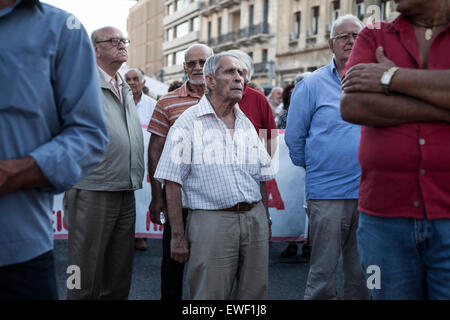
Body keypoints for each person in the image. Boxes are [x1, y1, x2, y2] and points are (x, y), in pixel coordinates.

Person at [341, 0, 450, 300]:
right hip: (384, 219)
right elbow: (352, 104)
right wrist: (440, 105)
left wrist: (392, 78)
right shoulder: (373, 35)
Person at [0, 0, 108, 299]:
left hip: (17, 255)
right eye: (112, 41)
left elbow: (89, 135)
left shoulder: (62, 28)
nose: (118, 45)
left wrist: (12, 174)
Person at [154, 52, 275, 299]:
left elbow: (260, 176)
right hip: (211, 223)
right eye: (230, 72)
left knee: (253, 296)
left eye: (241, 73)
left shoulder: (245, 123)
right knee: (210, 297)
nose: (239, 78)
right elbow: (172, 182)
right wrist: (177, 236)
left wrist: (265, 219)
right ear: (210, 81)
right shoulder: (187, 123)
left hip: (253, 219)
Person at [285, 14, 370, 300]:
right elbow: (294, 138)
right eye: (343, 36)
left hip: (371, 194)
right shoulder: (310, 85)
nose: (350, 41)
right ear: (331, 44)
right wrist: (321, 166)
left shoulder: (377, 80)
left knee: (365, 273)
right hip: (327, 194)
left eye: (356, 35)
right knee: (322, 274)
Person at [64, 26, 145, 300]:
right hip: (92, 188)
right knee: (82, 269)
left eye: (124, 40)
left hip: (125, 188)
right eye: (113, 41)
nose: (122, 45)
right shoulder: (78, 82)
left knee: (119, 271)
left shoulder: (124, 85)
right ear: (95, 48)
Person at [147, 43, 213, 300]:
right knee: (173, 262)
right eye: (191, 63)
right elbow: (155, 151)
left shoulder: (226, 96)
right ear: (184, 67)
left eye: (203, 62)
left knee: (212, 266)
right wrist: (157, 195)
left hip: (214, 199)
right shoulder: (167, 101)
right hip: (178, 198)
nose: (197, 68)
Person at [125, 68, 157, 251]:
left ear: (143, 82)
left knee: (144, 197)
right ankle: (126, 236)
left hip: (145, 160)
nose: (131, 82)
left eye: (135, 79)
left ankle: (141, 235)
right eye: (127, 79)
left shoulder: (153, 105)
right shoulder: (119, 103)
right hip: (124, 160)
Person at [228, 49, 278, 157]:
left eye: (237, 71)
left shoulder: (258, 98)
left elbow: (271, 137)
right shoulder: (212, 97)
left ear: (245, 73)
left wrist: (265, 166)